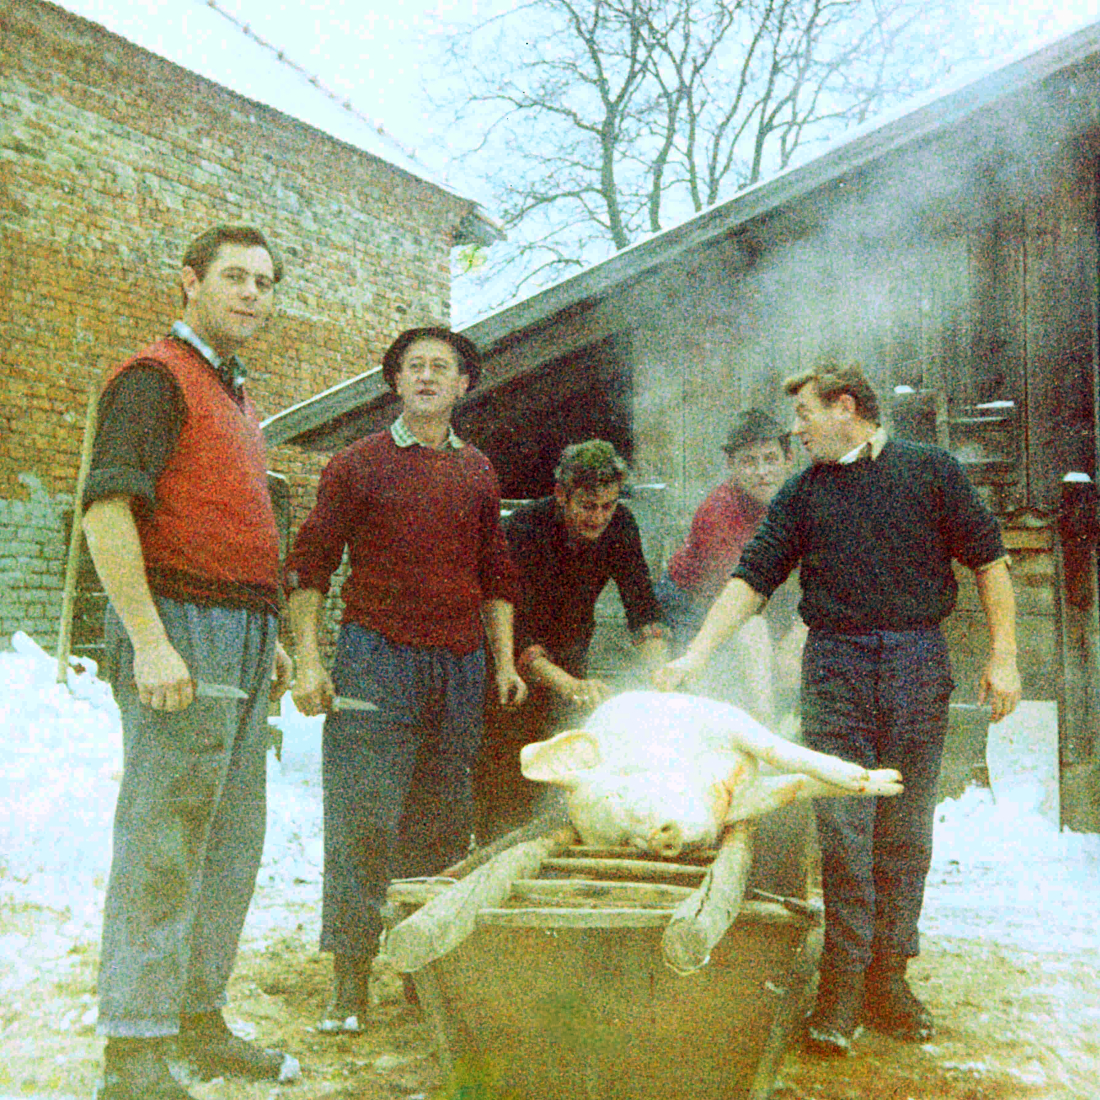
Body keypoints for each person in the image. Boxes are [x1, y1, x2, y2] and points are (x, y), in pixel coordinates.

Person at [653, 360, 1021, 1057]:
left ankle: (890, 981)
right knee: (845, 831)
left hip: (917, 664)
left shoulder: (931, 471)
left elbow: (990, 561)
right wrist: (697, 653)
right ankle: (841, 988)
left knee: (904, 830)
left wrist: (1003, 655)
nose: (796, 431)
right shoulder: (802, 495)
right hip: (837, 670)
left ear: (845, 407)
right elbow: (751, 578)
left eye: (805, 416)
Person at [82, 225, 297, 1100]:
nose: (251, 293)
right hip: (180, 626)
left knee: (229, 838)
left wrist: (270, 632)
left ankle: (196, 1020)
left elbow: (231, 522)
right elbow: (106, 515)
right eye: (234, 277)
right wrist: (149, 639)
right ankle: (134, 1051)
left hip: (241, 633)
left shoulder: (235, 395)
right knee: (165, 839)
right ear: (189, 283)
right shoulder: (153, 380)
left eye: (264, 281)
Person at [284, 326, 526, 1034]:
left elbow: (496, 573)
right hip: (375, 660)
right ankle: (350, 981)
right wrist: (308, 658)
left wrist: (504, 660)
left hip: (459, 666)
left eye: (440, 368)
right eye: (413, 367)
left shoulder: (479, 471)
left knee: (444, 823)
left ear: (463, 386)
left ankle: (426, 971)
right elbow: (311, 564)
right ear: (395, 383)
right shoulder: (356, 464)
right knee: (363, 818)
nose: (425, 377)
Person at [475, 439, 667, 840]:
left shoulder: (621, 525)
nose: (599, 517)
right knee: (510, 778)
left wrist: (662, 676)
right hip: (508, 660)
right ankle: (498, 850)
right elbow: (514, 624)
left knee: (565, 774)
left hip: (572, 648)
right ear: (562, 495)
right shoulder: (526, 527)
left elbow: (642, 606)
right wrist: (569, 685)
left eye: (608, 505)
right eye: (587, 506)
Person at [655, 409, 804, 724]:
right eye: (749, 462)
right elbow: (742, 603)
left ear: (788, 459)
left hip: (766, 598)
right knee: (716, 684)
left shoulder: (798, 498)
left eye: (770, 458)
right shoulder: (718, 512)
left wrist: (797, 633)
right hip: (689, 601)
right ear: (732, 467)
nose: (762, 471)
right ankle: (765, 726)